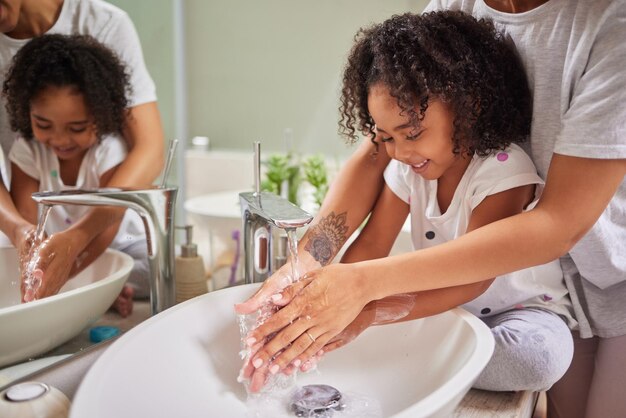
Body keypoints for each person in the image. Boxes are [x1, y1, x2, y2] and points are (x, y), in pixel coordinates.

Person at [236, 1, 626, 416]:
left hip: (587, 286)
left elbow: (510, 255)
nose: (398, 152)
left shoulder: (505, 169)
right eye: (387, 138)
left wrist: (364, 303)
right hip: (472, 307)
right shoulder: (413, 150)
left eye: (412, 134)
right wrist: (312, 278)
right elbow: (372, 232)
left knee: (537, 360)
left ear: (469, 106)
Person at [0, 0, 164, 311]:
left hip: (113, 245)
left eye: (76, 127)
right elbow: (25, 218)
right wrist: (26, 239)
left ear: (101, 116)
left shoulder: (107, 151)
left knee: (137, 269)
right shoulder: (29, 151)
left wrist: (77, 271)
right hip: (61, 247)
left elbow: (148, 152)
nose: (59, 139)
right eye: (43, 124)